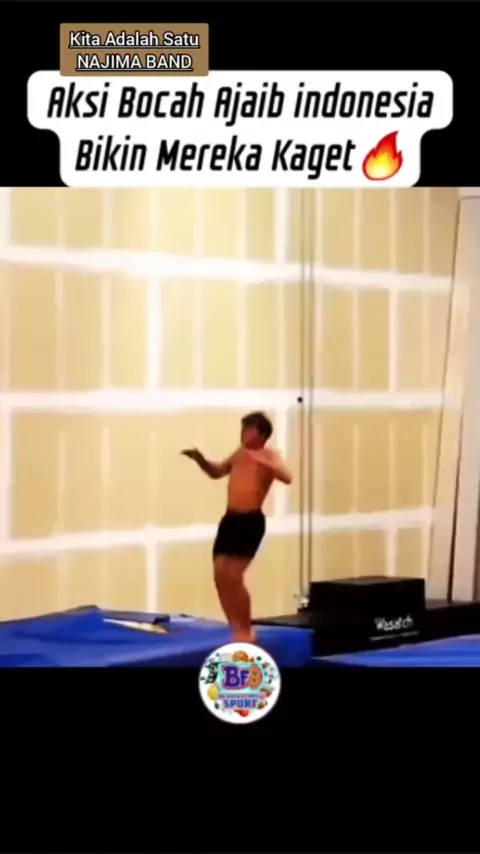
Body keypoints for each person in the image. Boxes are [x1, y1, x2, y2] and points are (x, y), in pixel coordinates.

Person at [181, 411, 292, 642]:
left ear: (261, 434)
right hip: (230, 520)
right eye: (242, 429)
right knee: (220, 575)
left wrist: (262, 461)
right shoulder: (240, 453)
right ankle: (235, 626)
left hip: (250, 522)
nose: (242, 434)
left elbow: (287, 476)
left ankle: (245, 628)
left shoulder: (270, 454)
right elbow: (217, 472)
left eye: (247, 430)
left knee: (234, 576)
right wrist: (201, 460)